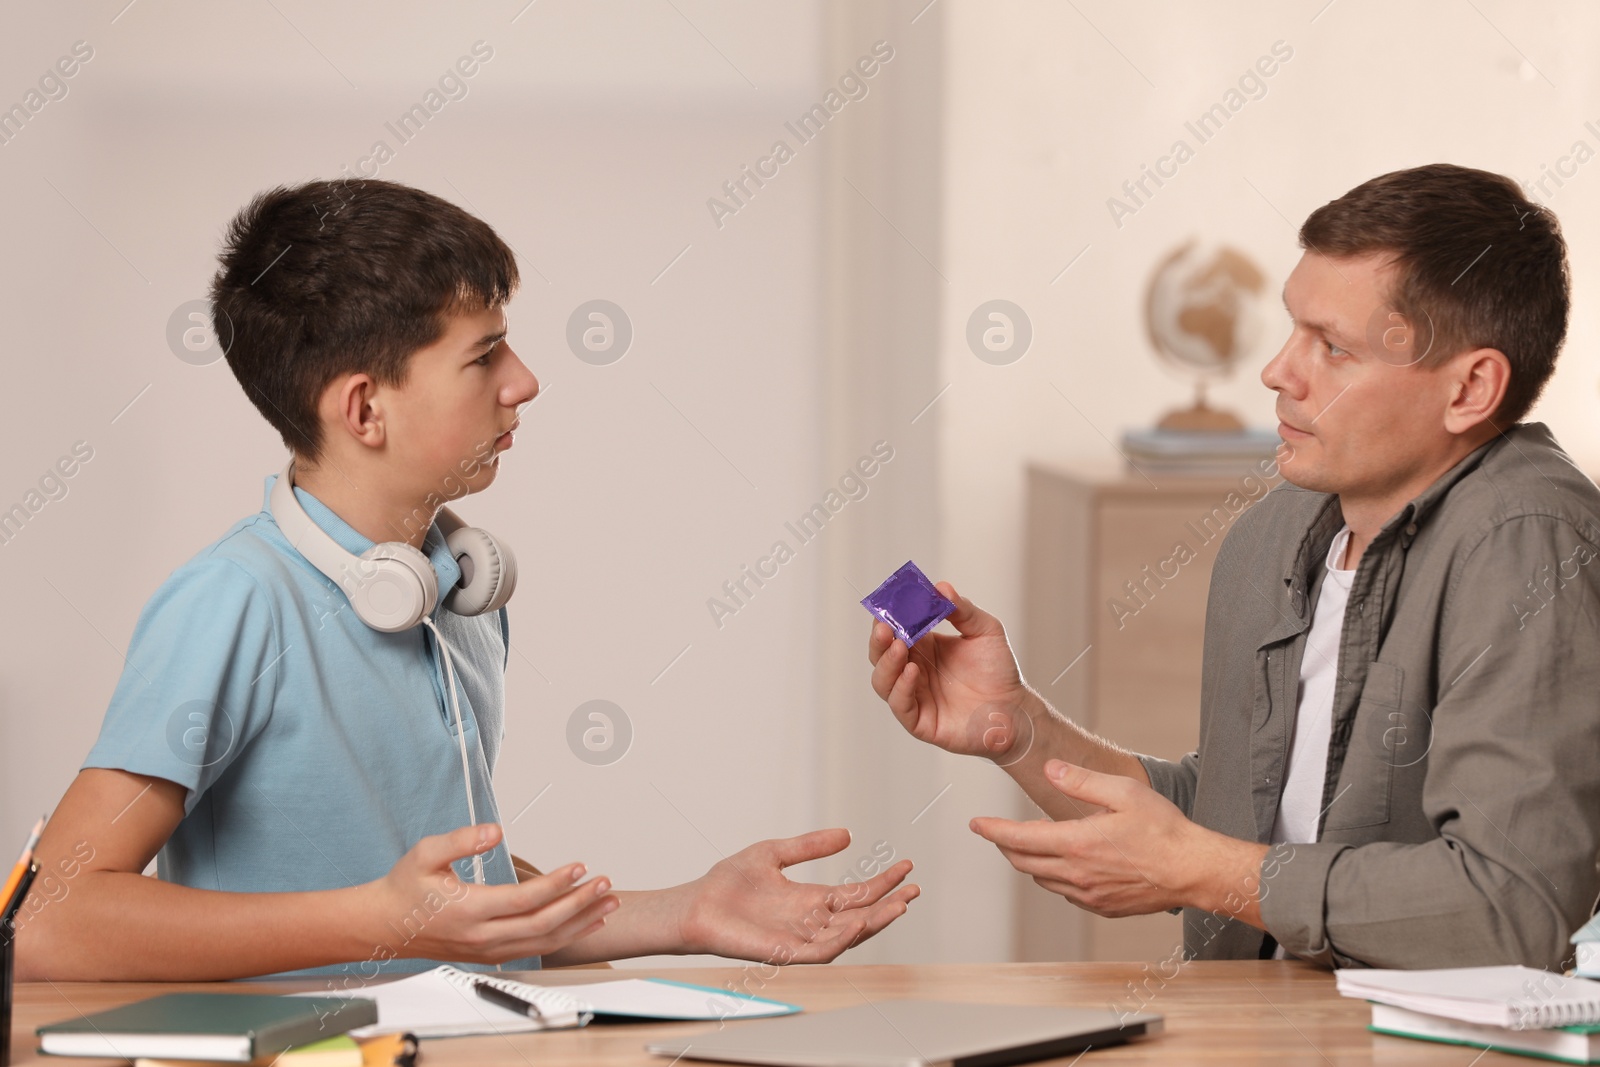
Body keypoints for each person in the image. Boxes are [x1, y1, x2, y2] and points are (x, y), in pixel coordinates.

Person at [17, 178, 917, 982]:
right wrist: (376, 918)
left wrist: (684, 911)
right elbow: (48, 919)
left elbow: (454, 910)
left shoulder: (454, 594)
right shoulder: (234, 603)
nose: (524, 381)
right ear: (366, 407)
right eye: (484, 356)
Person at [868, 163, 1600, 969]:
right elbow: (1227, 833)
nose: (1278, 371)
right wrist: (1016, 728)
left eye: (1333, 347)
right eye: (1294, 328)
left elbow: (1510, 906)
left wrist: (1200, 868)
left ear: (1470, 388)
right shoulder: (1276, 532)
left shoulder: (1530, 541)